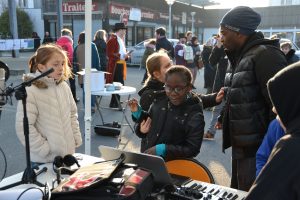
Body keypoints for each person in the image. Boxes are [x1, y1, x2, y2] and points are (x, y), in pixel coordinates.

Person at [218, 6, 287, 191]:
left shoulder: (266, 55)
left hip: (258, 150)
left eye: (223, 33)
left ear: (239, 32)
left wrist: (272, 150)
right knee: (238, 191)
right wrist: (223, 117)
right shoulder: (238, 56)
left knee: (252, 192)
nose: (220, 38)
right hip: (241, 146)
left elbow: (281, 108)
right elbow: (241, 94)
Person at [15, 44, 82, 164]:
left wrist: (75, 137)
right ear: (41, 67)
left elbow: (72, 114)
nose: (61, 68)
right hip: (43, 161)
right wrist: (45, 149)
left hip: (66, 156)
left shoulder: (64, 87)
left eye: (62, 63)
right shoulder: (31, 90)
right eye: (55, 65)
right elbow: (23, 127)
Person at [245, 63, 300, 200]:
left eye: (279, 104)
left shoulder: (292, 147)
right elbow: (262, 156)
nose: (274, 110)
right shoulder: (276, 126)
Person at [131, 65, 204, 161]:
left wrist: (164, 149)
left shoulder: (194, 114)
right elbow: (149, 120)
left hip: (174, 168)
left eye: (178, 89)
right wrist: (138, 115)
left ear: (189, 88)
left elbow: (192, 149)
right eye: (168, 88)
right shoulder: (159, 101)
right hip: (148, 159)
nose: (173, 93)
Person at [204, 35, 228, 140]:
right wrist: (218, 45)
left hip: (236, 83)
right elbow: (212, 61)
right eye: (220, 33)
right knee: (217, 108)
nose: (221, 36)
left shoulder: (238, 46)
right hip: (221, 83)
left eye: (224, 33)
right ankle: (210, 132)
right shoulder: (220, 47)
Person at [73, 31, 100, 111]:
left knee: (85, 89)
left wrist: (76, 72)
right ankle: (90, 106)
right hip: (92, 71)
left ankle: (88, 106)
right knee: (91, 89)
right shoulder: (92, 45)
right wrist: (98, 70)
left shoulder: (77, 47)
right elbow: (96, 60)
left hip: (81, 72)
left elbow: (74, 61)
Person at [106, 23, 131, 109]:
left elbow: (121, 54)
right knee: (118, 84)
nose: (125, 31)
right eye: (124, 30)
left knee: (117, 84)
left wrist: (126, 56)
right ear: (120, 30)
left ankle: (114, 102)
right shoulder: (113, 40)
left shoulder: (120, 40)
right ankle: (115, 103)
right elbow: (109, 54)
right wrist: (121, 56)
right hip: (115, 66)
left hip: (120, 65)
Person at [56, 28, 79, 103]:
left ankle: (61, 99)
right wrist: (71, 65)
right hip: (68, 65)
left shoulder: (57, 43)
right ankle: (73, 98)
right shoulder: (68, 43)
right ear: (69, 35)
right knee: (72, 82)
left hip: (58, 65)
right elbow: (71, 55)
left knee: (60, 82)